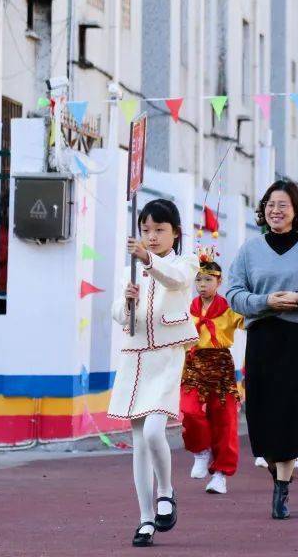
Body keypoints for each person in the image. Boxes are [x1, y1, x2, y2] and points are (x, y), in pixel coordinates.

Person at [224, 179, 298, 520]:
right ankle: (277, 470)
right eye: (271, 204)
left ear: (296, 211)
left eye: (283, 205)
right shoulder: (249, 250)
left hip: (297, 340)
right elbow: (234, 294)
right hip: (263, 339)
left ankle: (282, 488)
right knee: (261, 415)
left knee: (290, 413)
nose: (276, 211)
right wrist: (264, 301)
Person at [107, 198, 199, 548]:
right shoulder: (132, 269)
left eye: (160, 230)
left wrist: (148, 259)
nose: (152, 235)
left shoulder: (184, 263)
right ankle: (146, 517)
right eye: (146, 230)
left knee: (155, 430)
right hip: (134, 358)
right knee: (138, 442)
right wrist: (127, 301)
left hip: (166, 356)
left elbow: (175, 280)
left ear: (176, 233)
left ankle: (166, 491)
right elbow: (119, 312)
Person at [180, 245, 244, 496]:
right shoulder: (188, 308)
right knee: (189, 410)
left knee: (225, 420)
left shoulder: (229, 308)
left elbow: (249, 321)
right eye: (198, 279)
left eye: (208, 279)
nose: (202, 284)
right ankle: (200, 450)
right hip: (193, 363)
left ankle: (220, 474)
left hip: (220, 364)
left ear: (219, 282)